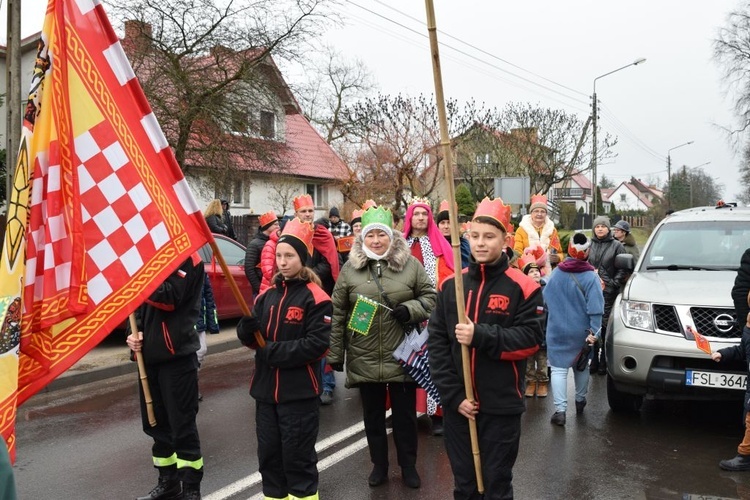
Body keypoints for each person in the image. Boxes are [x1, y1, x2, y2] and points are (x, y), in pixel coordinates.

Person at [428, 196, 545, 499]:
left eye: (489, 237)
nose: (481, 243)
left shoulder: (524, 287)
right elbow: (437, 345)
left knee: (496, 483)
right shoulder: (450, 286)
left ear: (505, 240)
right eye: (475, 236)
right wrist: (454, 397)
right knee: (465, 484)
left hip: (501, 406)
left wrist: (480, 335)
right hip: (460, 408)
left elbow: (531, 339)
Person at [328, 206, 436, 489]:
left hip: (402, 356)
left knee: (404, 419)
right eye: (370, 235)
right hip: (363, 355)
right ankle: (379, 466)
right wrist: (335, 353)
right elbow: (339, 312)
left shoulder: (410, 265)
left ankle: (409, 466)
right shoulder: (350, 270)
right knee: (373, 418)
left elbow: (431, 297)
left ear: (392, 237)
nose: (376, 241)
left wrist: (411, 309)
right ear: (362, 239)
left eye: (381, 235)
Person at [236, 217, 332, 500]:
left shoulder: (317, 298)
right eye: (279, 255)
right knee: (269, 460)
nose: (282, 261)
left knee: (297, 460)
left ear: (303, 258)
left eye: (289, 256)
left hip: (298, 394)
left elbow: (317, 345)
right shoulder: (267, 297)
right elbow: (251, 338)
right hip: (266, 393)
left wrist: (271, 352)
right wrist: (246, 329)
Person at [126, 254, 206, 500]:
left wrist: (135, 280)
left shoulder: (189, 258)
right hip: (148, 358)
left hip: (177, 357)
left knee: (182, 426)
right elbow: (136, 307)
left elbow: (169, 297)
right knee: (156, 425)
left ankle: (191, 488)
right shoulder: (151, 254)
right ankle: (168, 481)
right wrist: (132, 334)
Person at [403, 198, 455, 435]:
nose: (421, 218)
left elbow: (448, 276)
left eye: (425, 214)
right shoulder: (399, 244)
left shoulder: (439, 244)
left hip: (431, 312)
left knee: (432, 363)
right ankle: (402, 412)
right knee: (403, 361)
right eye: (417, 214)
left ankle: (437, 415)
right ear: (409, 218)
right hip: (403, 312)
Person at [543, 233, 604, 426]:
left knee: (559, 370)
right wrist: (595, 332)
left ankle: (560, 411)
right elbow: (596, 309)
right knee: (581, 366)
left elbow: (545, 300)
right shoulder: (590, 277)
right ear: (587, 252)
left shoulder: (555, 274)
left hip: (556, 330)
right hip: (582, 332)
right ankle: (580, 401)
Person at [588, 215, 626, 375]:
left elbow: (622, 268)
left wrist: (613, 283)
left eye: (603, 226)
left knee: (605, 326)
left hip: (608, 292)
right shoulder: (589, 245)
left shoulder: (616, 246)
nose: (600, 229)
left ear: (608, 228)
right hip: (590, 290)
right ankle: (594, 359)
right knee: (591, 324)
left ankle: (604, 358)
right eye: (597, 226)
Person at [519, 259, 548, 398]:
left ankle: (542, 382)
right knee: (529, 360)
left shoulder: (546, 288)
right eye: (531, 272)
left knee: (542, 360)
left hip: (543, 330)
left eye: (537, 271)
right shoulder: (523, 289)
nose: (535, 273)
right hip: (528, 331)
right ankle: (530, 382)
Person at [513, 194, 563, 268]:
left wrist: (558, 258)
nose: (539, 214)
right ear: (531, 213)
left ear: (546, 214)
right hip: (528, 269)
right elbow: (517, 252)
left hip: (548, 270)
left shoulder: (552, 230)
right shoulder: (521, 230)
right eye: (536, 211)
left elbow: (559, 252)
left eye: (542, 211)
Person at [244, 210, 279, 297]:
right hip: (261, 289)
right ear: (267, 226)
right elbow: (249, 269)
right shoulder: (254, 244)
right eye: (275, 224)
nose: (278, 227)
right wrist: (259, 288)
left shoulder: (276, 242)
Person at [436, 199, 471, 269]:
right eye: (442, 223)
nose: (446, 226)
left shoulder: (463, 244)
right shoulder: (433, 244)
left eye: (449, 222)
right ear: (438, 226)